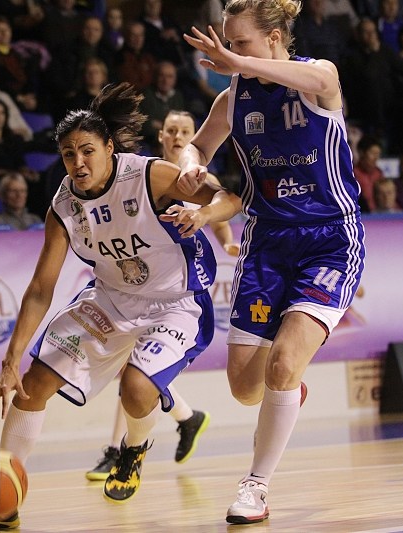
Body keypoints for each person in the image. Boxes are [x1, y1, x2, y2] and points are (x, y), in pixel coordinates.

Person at [0, 82, 240, 532]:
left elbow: (229, 198)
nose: (78, 162)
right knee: (32, 385)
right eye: (68, 154)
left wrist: (204, 215)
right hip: (111, 299)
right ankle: (3, 504)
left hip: (175, 301)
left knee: (136, 389)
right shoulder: (64, 205)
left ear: (110, 148)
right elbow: (40, 288)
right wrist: (10, 359)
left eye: (87, 151)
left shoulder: (150, 175)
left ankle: (133, 450)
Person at [177, 0, 366, 524]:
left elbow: (322, 79)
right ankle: (290, 388)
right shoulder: (234, 97)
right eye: (230, 44)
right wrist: (192, 167)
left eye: (241, 43)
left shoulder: (317, 77)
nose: (231, 53)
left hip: (329, 240)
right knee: (245, 387)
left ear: (276, 38)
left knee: (281, 364)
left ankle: (255, 487)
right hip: (266, 244)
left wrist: (239, 64)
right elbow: (198, 148)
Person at [85, 109, 240, 482]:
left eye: (185, 131)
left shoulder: (199, 178)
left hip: (178, 290)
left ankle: (123, 447)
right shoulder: (143, 175)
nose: (177, 137)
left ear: (194, 136)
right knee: (133, 370)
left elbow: (219, 214)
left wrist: (228, 243)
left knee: (135, 371)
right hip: (139, 286)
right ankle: (185, 418)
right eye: (171, 130)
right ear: (161, 136)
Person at [353, 135, 384, 212]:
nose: (376, 158)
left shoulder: (379, 173)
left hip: (380, 215)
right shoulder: (352, 174)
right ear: (361, 153)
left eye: (378, 154)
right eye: (373, 153)